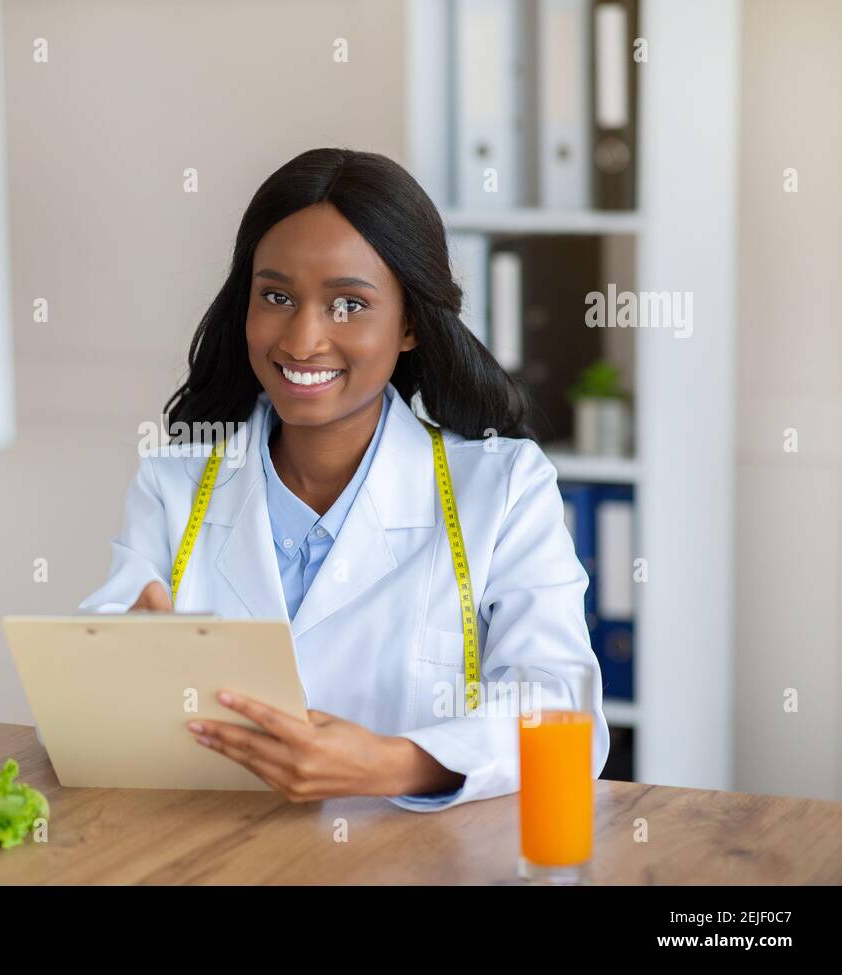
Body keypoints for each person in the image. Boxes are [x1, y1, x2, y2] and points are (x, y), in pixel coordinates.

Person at [80, 148, 609, 810]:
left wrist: (394, 763)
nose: (303, 339)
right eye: (276, 296)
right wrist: (117, 659)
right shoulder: (176, 481)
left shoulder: (501, 487)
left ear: (410, 322)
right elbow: (92, 674)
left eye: (348, 304)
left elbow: (564, 712)